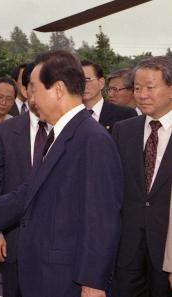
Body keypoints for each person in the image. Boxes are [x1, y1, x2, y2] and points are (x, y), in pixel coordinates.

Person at [0, 50, 123, 297]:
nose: (31, 99)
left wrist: (93, 283)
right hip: (44, 272)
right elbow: (30, 191)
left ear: (58, 89)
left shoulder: (92, 139)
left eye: (35, 89)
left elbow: (102, 219)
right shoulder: (59, 134)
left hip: (68, 278)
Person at [0, 62, 52, 297]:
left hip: (55, 244)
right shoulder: (6, 131)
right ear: (25, 90)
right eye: (32, 88)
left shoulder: (68, 131)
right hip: (14, 238)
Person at [112, 56, 172, 297]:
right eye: (137, 88)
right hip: (127, 251)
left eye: (150, 87)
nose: (142, 94)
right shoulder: (123, 130)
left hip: (167, 253)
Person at [81, 60, 137, 133]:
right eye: (76, 80)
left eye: (87, 80)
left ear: (101, 83)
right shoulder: (69, 115)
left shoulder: (124, 115)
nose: (82, 85)